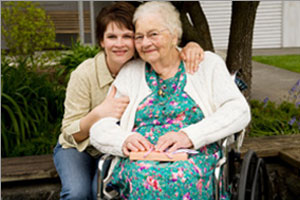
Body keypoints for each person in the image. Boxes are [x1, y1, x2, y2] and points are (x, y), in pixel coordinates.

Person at [90, 1, 251, 199]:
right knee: (142, 174)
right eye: (139, 37)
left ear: (174, 35)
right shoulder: (131, 73)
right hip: (139, 160)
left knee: (180, 176)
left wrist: (188, 136)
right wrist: (124, 140)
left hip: (195, 156)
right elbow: (100, 127)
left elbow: (238, 110)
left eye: (153, 34)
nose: (145, 43)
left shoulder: (206, 64)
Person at [53, 2, 204, 200]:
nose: (120, 44)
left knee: (103, 189)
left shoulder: (146, 65)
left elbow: (168, 49)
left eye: (128, 36)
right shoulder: (85, 74)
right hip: (79, 147)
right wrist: (99, 113)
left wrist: (192, 47)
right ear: (101, 41)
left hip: (117, 146)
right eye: (112, 37)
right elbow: (69, 133)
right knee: (78, 193)